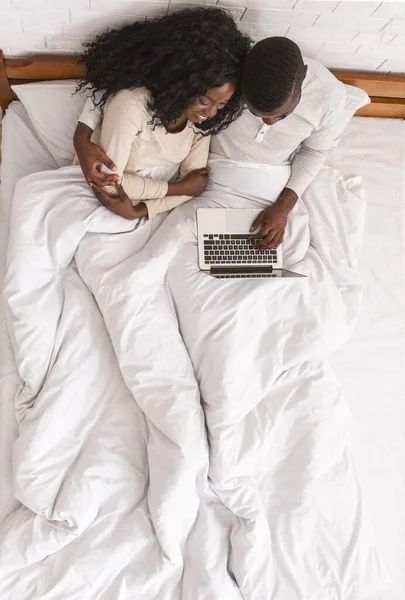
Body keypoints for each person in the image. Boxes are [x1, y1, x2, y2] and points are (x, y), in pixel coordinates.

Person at [73, 8, 251, 221]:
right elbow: (108, 185)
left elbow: (193, 188)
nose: (212, 112)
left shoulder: (201, 122)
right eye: (204, 101)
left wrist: (138, 212)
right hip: (93, 193)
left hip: (141, 206)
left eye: (222, 105)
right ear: (183, 83)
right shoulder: (132, 105)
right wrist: (177, 188)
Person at [211, 37, 349, 249]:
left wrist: (283, 207)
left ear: (303, 76)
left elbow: (315, 151)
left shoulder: (329, 97)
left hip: (272, 181)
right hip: (213, 171)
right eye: (255, 112)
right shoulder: (231, 74)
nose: (269, 122)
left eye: (283, 115)